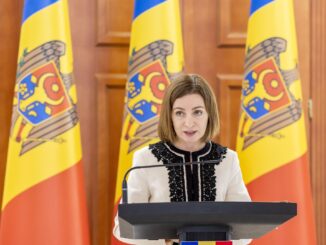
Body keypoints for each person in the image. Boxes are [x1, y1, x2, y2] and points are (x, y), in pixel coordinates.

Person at [113, 74, 251, 245]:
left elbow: (246, 226)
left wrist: (214, 240)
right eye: (179, 113)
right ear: (169, 116)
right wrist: (165, 240)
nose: (189, 122)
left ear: (210, 114)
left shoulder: (227, 159)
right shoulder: (145, 159)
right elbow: (122, 228)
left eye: (197, 112)